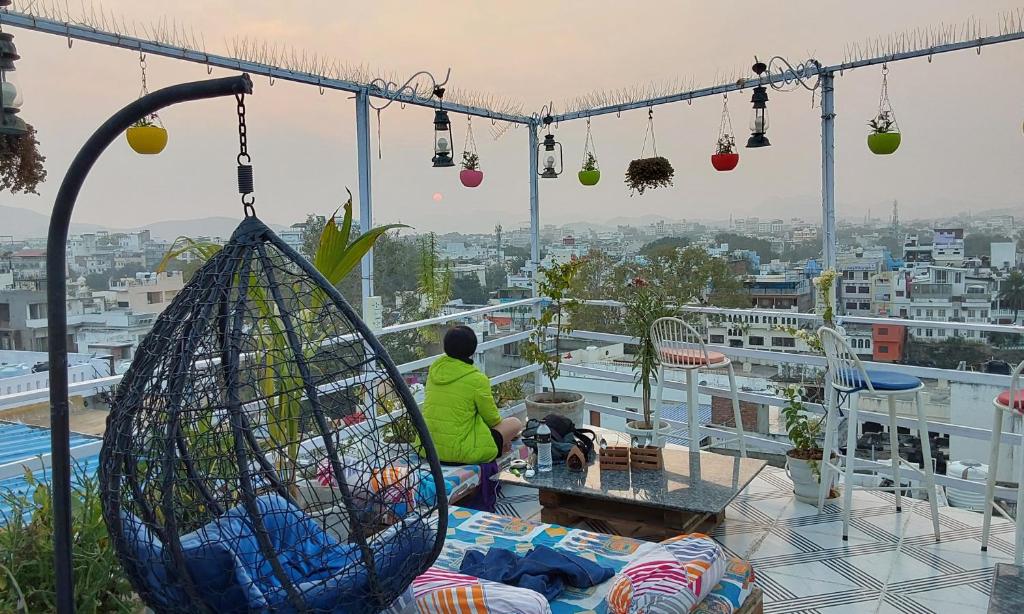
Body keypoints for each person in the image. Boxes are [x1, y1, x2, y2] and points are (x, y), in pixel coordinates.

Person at [419, 326, 522, 464]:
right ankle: (500, 447)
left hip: (428, 448)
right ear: (472, 350)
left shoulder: (434, 371)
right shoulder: (477, 379)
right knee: (515, 423)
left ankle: (501, 446)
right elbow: (492, 419)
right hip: (462, 452)